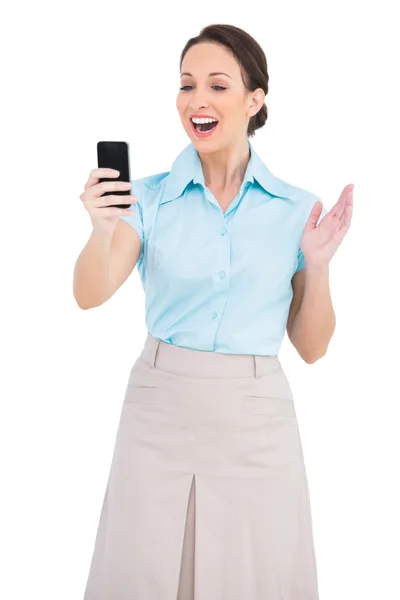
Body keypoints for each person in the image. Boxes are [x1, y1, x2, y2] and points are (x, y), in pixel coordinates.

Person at [74, 23, 353, 600]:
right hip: (157, 409)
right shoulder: (145, 199)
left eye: (217, 86)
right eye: (186, 85)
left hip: (256, 417)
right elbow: (90, 293)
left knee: (256, 574)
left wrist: (319, 266)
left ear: (255, 100)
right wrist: (102, 229)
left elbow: (312, 347)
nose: (196, 100)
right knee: (143, 571)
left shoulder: (297, 209)